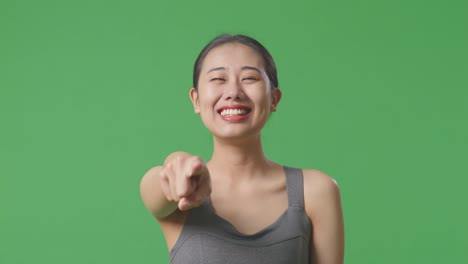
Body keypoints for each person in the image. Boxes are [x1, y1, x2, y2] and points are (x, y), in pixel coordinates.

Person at [140, 34, 345, 264]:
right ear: (196, 100)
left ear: (274, 99)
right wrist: (178, 163)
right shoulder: (181, 189)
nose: (233, 92)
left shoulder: (315, 191)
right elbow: (158, 186)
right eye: (218, 79)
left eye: (249, 78)